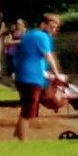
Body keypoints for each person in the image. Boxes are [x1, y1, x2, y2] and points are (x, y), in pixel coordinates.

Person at [12, 13, 63, 141]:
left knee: (26, 109)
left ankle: (16, 137)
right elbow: (48, 57)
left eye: (55, 28)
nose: (53, 30)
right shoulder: (43, 37)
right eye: (51, 27)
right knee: (29, 111)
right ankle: (22, 141)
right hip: (32, 78)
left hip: (22, 76)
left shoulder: (30, 34)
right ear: (43, 24)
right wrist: (57, 74)